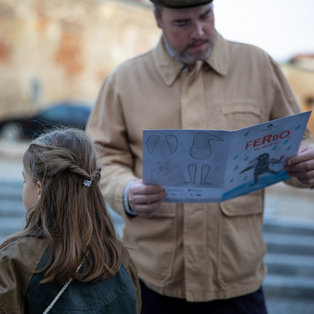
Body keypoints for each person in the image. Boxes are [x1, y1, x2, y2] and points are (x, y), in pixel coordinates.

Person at [86, 0, 314, 313]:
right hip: (152, 281)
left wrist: (307, 167)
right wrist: (125, 190)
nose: (199, 31)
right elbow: (100, 159)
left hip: (237, 281)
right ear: (158, 19)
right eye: (182, 23)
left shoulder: (257, 65)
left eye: (205, 16)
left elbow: (298, 141)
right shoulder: (124, 80)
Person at [0, 128, 141, 314]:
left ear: (39, 189)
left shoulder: (13, 261)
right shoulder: (120, 261)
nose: (24, 186)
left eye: (25, 180)